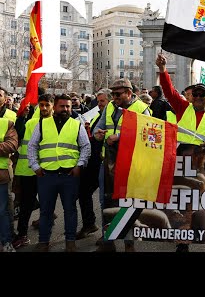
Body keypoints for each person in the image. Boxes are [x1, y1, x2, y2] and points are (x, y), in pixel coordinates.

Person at [156, 52, 205, 252]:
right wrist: (163, 70)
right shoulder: (182, 107)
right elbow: (169, 91)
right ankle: (183, 242)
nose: (197, 97)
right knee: (183, 204)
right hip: (182, 164)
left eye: (201, 95)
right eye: (195, 94)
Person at [28, 94, 91, 252]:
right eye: (62, 106)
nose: (66, 109)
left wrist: (80, 165)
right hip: (46, 175)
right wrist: (35, 165)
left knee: (70, 210)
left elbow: (86, 147)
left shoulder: (76, 125)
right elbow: (32, 146)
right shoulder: (42, 124)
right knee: (46, 211)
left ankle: (70, 241)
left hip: (69, 176)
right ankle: (44, 241)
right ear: (55, 107)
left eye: (68, 106)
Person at [93, 78, 150, 252]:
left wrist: (120, 137)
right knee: (106, 202)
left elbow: (148, 137)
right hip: (108, 164)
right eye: (112, 94)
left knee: (128, 205)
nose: (114, 97)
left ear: (129, 93)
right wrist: (98, 134)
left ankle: (128, 244)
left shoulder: (142, 109)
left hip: (131, 165)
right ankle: (108, 240)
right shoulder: (110, 106)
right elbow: (98, 128)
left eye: (118, 94)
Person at [12, 94, 54, 250]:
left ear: (52, 106)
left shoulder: (57, 123)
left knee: (47, 205)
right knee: (25, 205)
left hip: (48, 171)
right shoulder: (30, 123)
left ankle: (45, 238)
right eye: (41, 105)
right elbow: (20, 136)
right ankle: (22, 234)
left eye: (47, 105)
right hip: (29, 170)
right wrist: (21, 118)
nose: (43, 108)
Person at [76, 89, 112, 241]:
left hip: (107, 164)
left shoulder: (114, 117)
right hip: (93, 163)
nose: (99, 104)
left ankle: (109, 234)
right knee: (83, 192)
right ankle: (89, 223)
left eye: (102, 101)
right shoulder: (96, 115)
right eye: (98, 101)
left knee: (107, 200)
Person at [0, 116, 18, 252]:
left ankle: (6, 242)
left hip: (1, 176)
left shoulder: (5, 123)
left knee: (2, 211)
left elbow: (12, 145)